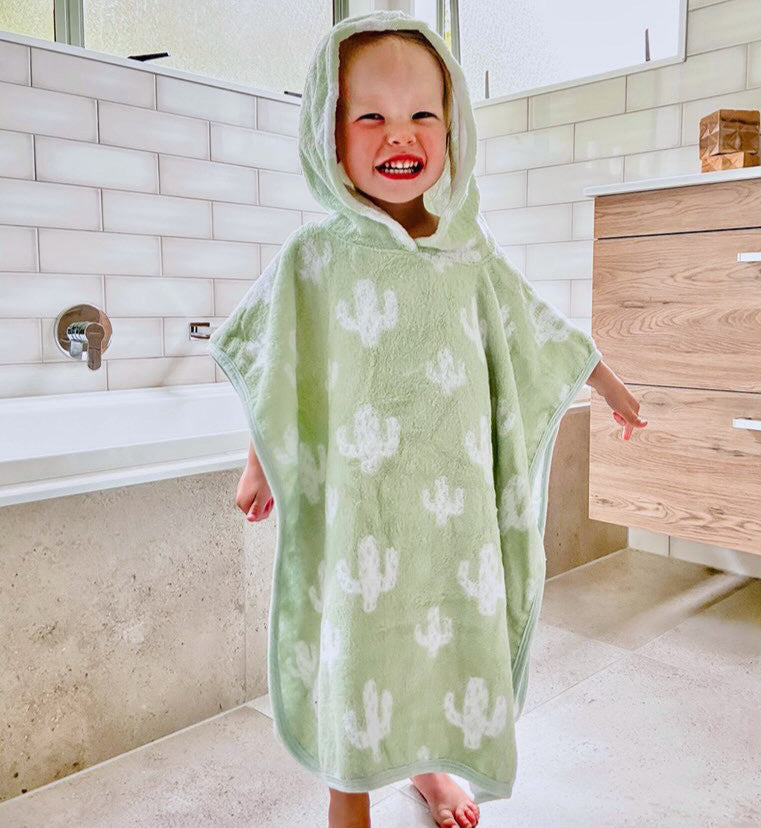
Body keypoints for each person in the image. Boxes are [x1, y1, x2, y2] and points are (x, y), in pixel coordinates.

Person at [208, 11, 647, 828]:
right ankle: (350, 791)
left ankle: (434, 769)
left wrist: (612, 389)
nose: (398, 134)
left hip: (451, 516)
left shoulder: (471, 258)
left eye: (422, 115)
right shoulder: (316, 260)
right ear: (327, 131)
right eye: (369, 114)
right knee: (360, 652)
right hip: (359, 518)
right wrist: (260, 461)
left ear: (452, 130)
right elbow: (279, 367)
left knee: (447, 641)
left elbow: (540, 330)